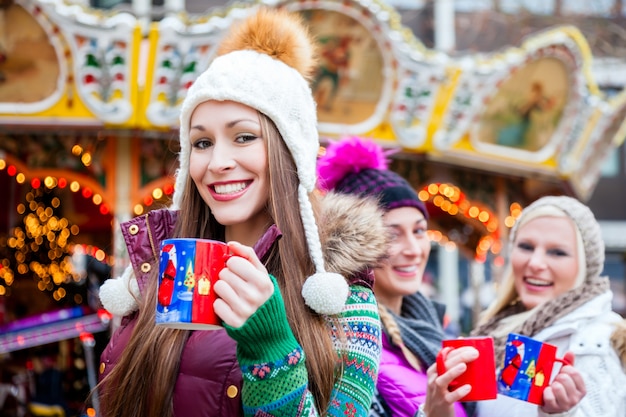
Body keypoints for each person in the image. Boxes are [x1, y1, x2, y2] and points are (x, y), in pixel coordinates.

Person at [96, 8, 387, 417]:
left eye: (244, 137)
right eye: (201, 143)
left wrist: (270, 346)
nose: (217, 162)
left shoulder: (343, 300)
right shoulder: (161, 274)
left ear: (291, 152)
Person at [316, 136, 473, 417]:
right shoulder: (346, 342)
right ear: (357, 245)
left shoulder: (428, 327)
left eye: (419, 230)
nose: (413, 250)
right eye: (392, 234)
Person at [428, 195, 626, 417]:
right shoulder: (499, 328)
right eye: (526, 247)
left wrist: (560, 414)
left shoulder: (595, 343)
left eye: (557, 252)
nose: (535, 263)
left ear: (584, 266)